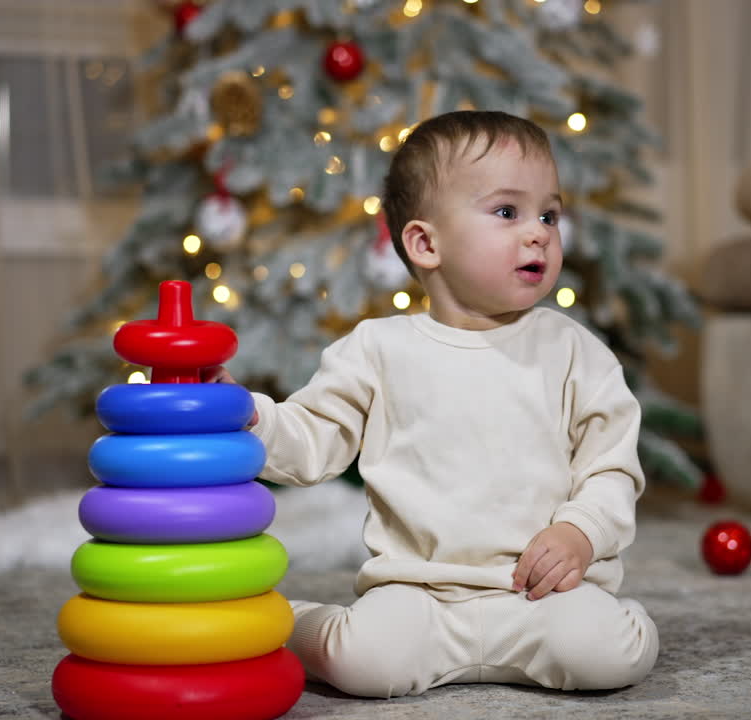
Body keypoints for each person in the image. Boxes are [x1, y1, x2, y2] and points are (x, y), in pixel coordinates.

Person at [211, 110, 658, 698]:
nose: (540, 233)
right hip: (420, 594)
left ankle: (616, 623)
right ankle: (287, 622)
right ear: (426, 243)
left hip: (540, 594)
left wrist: (581, 532)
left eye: (549, 213)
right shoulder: (377, 349)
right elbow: (311, 440)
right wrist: (251, 416)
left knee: (607, 654)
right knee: (366, 664)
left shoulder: (575, 352)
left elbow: (612, 468)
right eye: (507, 212)